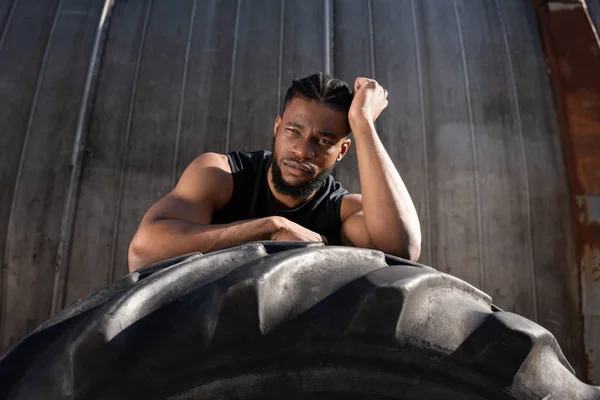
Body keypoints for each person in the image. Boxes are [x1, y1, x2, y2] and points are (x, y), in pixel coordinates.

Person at [128, 72, 421, 272]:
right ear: (277, 127)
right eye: (294, 131)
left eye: (323, 141)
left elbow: (402, 249)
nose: (303, 150)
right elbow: (144, 253)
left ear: (342, 151)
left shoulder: (342, 211)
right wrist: (270, 228)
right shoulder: (221, 175)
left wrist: (363, 123)